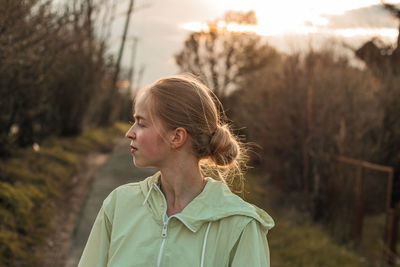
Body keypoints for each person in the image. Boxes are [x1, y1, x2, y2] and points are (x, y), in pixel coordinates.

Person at [78, 74, 274, 267]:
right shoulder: (118, 204)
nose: (129, 133)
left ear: (177, 137)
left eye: (142, 123)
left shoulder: (241, 226)